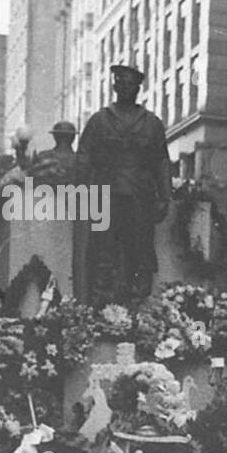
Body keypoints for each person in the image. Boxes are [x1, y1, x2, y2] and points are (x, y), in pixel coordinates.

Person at [75, 64, 172, 305]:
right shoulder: (99, 120)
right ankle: (101, 304)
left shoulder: (152, 123)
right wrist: (80, 191)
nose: (126, 88)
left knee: (140, 251)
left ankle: (139, 304)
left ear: (139, 88)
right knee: (103, 251)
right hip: (106, 195)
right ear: (115, 86)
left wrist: (165, 196)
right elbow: (84, 156)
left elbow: (161, 161)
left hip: (140, 197)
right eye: (122, 83)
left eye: (131, 84)